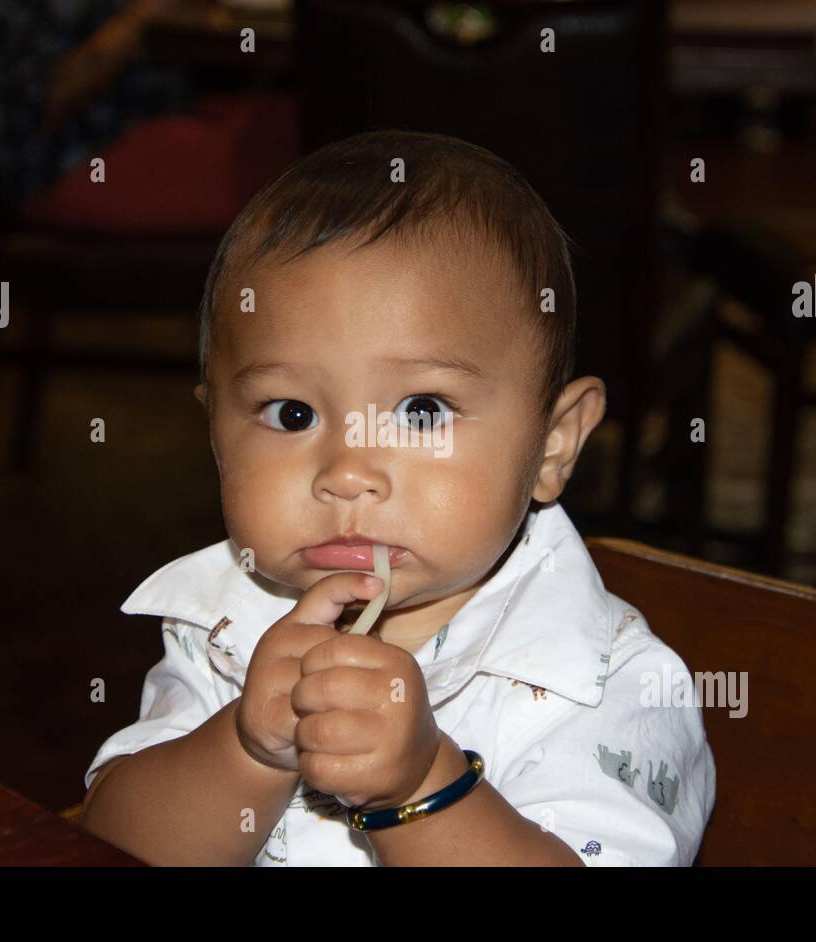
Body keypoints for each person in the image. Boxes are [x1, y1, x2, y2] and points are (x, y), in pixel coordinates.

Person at [80, 129, 716, 865]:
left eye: (422, 412)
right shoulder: (224, 628)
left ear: (554, 445)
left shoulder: (605, 685)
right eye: (293, 414)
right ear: (216, 434)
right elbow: (107, 842)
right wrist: (246, 751)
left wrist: (423, 788)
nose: (347, 471)